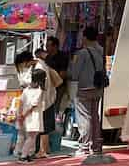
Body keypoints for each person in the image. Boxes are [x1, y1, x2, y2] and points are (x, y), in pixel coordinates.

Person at [72, 26, 106, 159]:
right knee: (95, 117)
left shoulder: (82, 53)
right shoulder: (102, 51)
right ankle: (96, 146)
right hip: (98, 88)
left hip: (84, 88)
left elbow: (74, 73)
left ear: (85, 37)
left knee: (84, 117)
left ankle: (84, 146)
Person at [34, 47, 62, 157]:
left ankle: (42, 150)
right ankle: (44, 149)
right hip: (48, 99)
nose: (47, 53)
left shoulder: (40, 66)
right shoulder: (45, 66)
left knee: (43, 127)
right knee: (45, 127)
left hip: (43, 101)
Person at [15, 69, 48, 163]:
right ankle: (24, 156)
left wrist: (20, 114)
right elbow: (33, 105)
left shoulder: (26, 89)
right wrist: (24, 115)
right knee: (32, 137)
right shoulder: (39, 91)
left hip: (25, 116)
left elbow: (21, 102)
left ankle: (27, 154)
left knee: (27, 136)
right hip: (33, 116)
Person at [43, 36, 70, 134]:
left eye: (48, 45)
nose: (46, 48)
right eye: (46, 45)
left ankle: (53, 130)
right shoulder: (48, 57)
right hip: (48, 86)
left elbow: (63, 74)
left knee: (55, 106)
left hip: (59, 86)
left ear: (55, 46)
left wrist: (55, 81)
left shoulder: (62, 57)